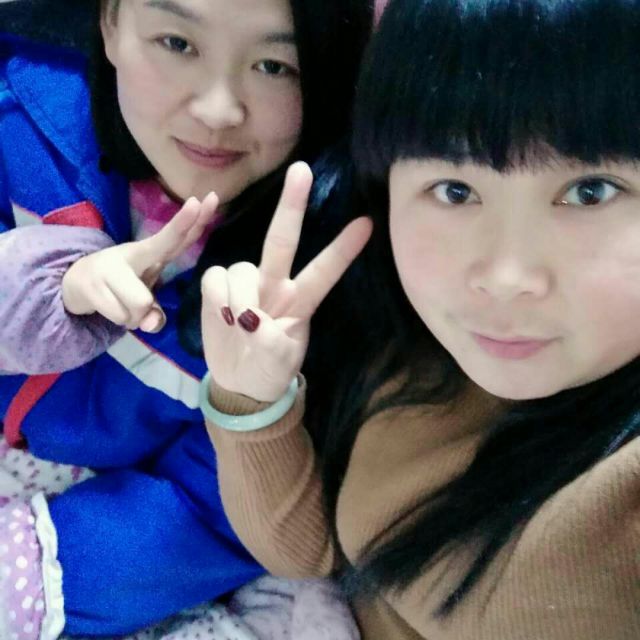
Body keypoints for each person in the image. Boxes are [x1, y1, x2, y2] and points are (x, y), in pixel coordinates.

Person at [199, 1, 640, 639]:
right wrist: (251, 399)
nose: (506, 275)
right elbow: (311, 554)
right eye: (455, 191)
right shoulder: (416, 351)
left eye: (589, 191)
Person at [0, 0, 372, 637]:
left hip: (89, 537)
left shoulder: (331, 269)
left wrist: (31, 576)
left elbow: (214, 510)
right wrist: (44, 287)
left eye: (274, 66)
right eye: (177, 43)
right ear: (111, 23)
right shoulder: (19, 117)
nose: (219, 109)